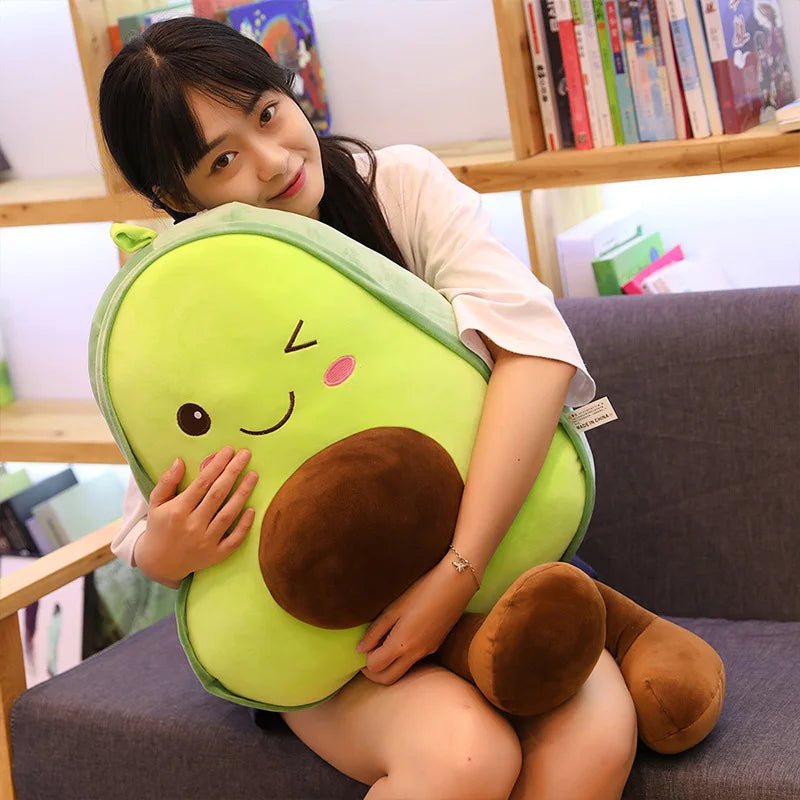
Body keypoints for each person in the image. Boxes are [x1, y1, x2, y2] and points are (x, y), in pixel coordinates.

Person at [99, 17, 637, 799]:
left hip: (491, 560)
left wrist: (457, 574)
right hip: (333, 630)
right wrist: (168, 548)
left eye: (268, 113)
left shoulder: (400, 187)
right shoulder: (176, 302)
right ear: (178, 196)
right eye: (223, 159)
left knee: (595, 740)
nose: (274, 160)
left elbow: (534, 353)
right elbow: (145, 525)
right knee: (465, 758)